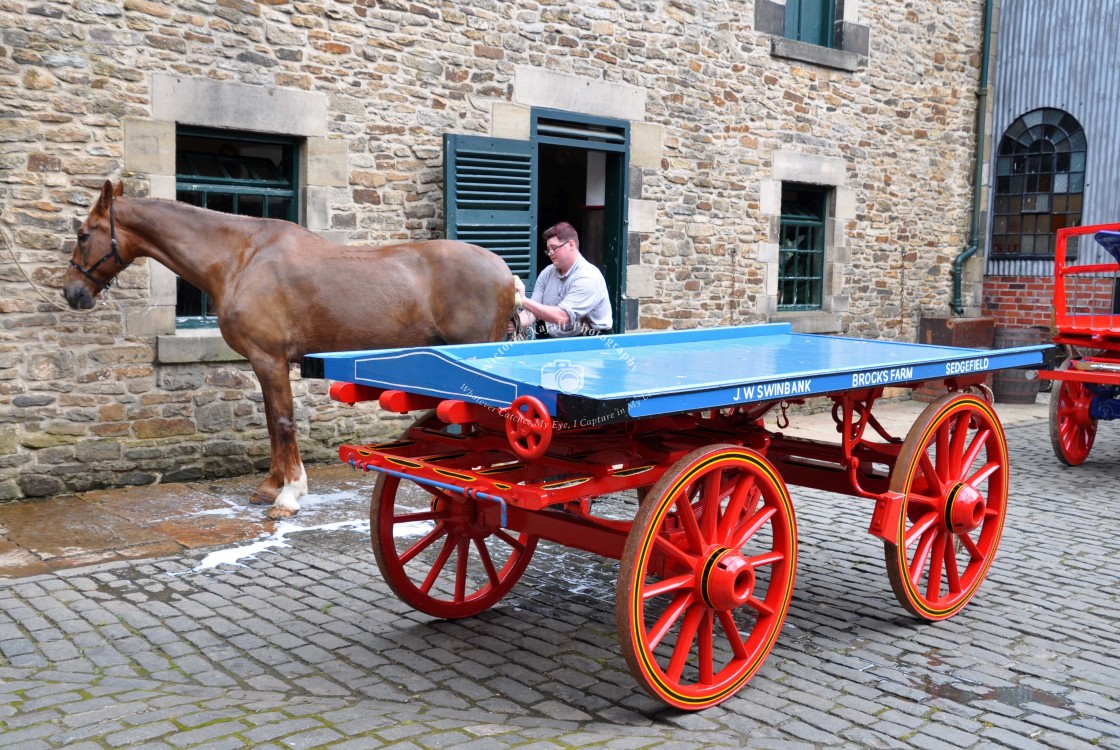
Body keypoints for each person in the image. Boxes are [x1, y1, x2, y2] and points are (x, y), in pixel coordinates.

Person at [513, 221, 612, 338]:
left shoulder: (588, 276)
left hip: (592, 344)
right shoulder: (547, 273)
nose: (550, 253)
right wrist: (514, 323)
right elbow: (533, 313)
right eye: (548, 249)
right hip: (556, 341)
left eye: (554, 248)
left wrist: (523, 300)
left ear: (571, 245)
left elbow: (562, 316)